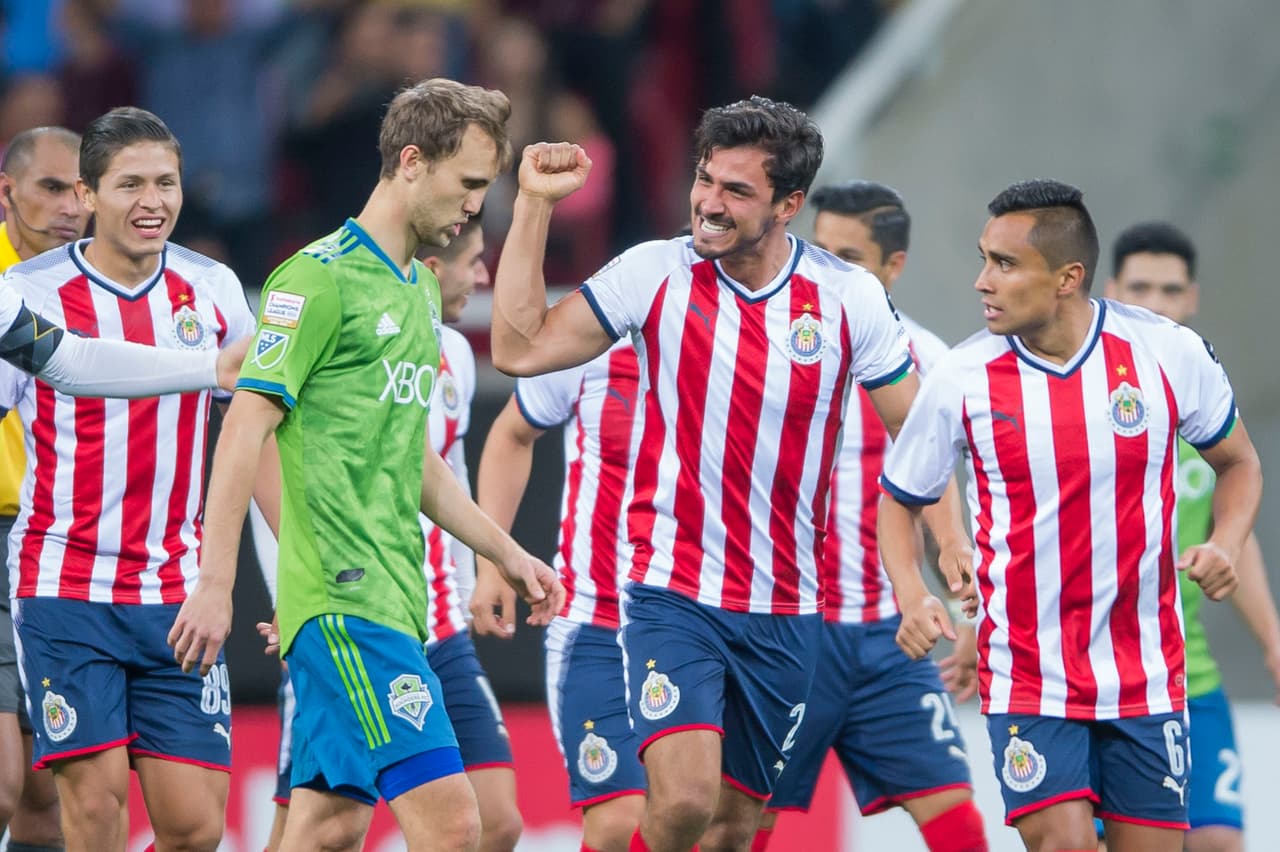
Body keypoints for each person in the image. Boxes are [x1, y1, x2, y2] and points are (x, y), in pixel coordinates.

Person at [489, 95, 971, 852]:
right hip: (672, 591)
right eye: (705, 180)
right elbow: (518, 350)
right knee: (682, 801)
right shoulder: (653, 272)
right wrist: (533, 208)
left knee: (732, 829)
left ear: (788, 205)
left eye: (736, 191)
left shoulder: (847, 299)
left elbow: (917, 438)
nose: (709, 204)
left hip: (787, 608)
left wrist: (946, 548)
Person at [182, 78, 563, 852]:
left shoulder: (418, 290)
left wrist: (506, 552)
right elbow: (243, 428)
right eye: (468, 184)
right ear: (412, 163)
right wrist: (216, 584)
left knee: (328, 827)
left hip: (399, 597)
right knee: (457, 824)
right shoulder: (315, 278)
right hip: (345, 600)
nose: (474, 208)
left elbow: (414, 459)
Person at [880, 180, 1263, 852]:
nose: (981, 281)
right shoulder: (962, 377)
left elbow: (1239, 462)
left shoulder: (1167, 353)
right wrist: (913, 594)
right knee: (1065, 844)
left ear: (1067, 278)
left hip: (1146, 673)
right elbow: (900, 496)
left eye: (1004, 263)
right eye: (983, 259)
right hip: (1027, 673)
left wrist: (1226, 542)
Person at [0, 107, 266, 852]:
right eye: (130, 185)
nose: (153, 202)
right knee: (93, 814)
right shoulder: (29, 290)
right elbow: (74, 364)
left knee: (195, 828)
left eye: (166, 183)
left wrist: (286, 578)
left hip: (175, 589)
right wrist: (209, 366)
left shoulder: (213, 287)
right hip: (65, 582)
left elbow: (259, 434)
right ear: (89, 196)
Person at [756, 182, 987, 852]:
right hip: (785, 631)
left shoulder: (929, 361)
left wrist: (967, 611)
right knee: (733, 829)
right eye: (820, 251)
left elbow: (939, 491)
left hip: (889, 638)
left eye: (849, 257)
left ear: (894, 266)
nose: (829, 270)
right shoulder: (769, 335)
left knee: (958, 822)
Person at [1102, 221, 1280, 852]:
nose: (1155, 304)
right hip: (1095, 680)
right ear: (1111, 292)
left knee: (1217, 841)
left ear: (1192, 298)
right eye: (1140, 288)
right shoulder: (1083, 398)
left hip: (1187, 673)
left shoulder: (1207, 409)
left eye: (1170, 290)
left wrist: (1273, 643)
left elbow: (1233, 533)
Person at [472, 330, 645, 852]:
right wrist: (492, 563)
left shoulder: (734, 344)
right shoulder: (591, 342)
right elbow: (511, 435)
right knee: (618, 823)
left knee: (703, 814)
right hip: (596, 622)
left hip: (702, 621)